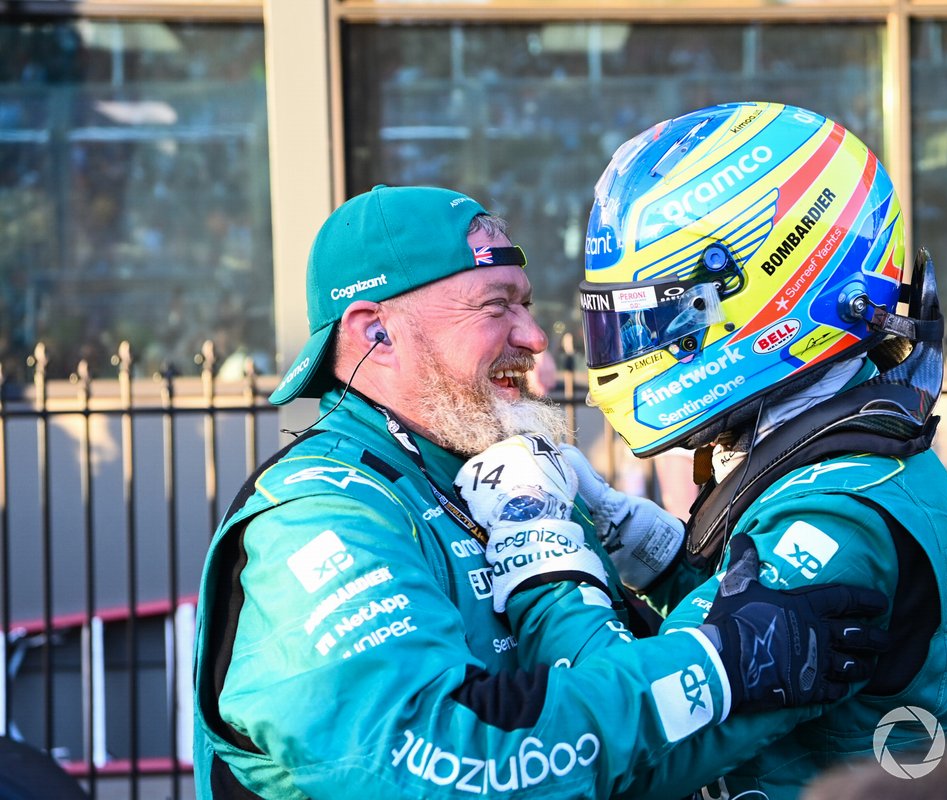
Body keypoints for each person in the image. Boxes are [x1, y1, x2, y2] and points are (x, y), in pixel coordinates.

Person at [190, 184, 891, 798]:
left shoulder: (481, 467)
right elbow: (443, 765)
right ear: (377, 331)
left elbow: (611, 699)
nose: (533, 337)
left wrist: (674, 573)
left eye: (527, 305)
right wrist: (719, 669)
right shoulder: (322, 515)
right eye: (497, 306)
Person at [453, 102, 947, 799]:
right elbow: (737, 613)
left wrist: (538, 542)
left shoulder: (838, 517)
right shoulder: (837, 446)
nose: (635, 350)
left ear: (775, 297)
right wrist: (622, 525)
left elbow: (623, 742)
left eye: (661, 317)